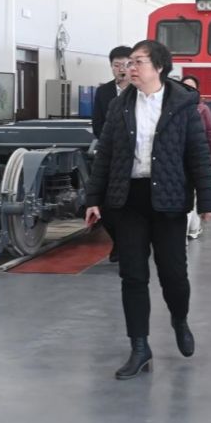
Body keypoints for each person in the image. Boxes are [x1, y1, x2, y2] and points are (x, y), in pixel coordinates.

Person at [85, 40, 211, 380]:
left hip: (168, 200)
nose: (130, 68)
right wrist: (93, 199)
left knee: (174, 274)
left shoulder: (183, 104)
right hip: (128, 199)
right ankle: (140, 347)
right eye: (129, 62)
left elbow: (197, 153)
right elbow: (105, 155)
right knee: (133, 275)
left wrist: (207, 200)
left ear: (159, 66)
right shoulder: (120, 106)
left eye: (138, 62)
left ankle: (179, 319)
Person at [92, 46, 133, 262]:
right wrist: (110, 144)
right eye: (117, 65)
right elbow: (97, 123)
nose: (121, 69)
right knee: (107, 206)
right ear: (111, 67)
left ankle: (127, 245)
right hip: (111, 154)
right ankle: (118, 241)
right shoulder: (104, 92)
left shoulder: (140, 90)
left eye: (126, 64)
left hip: (135, 155)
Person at [181, 74, 211, 238]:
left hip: (199, 158)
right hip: (180, 160)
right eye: (185, 87)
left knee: (193, 194)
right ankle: (192, 228)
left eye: (191, 88)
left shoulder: (203, 109)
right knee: (186, 195)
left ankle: (191, 228)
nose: (188, 91)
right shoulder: (172, 108)